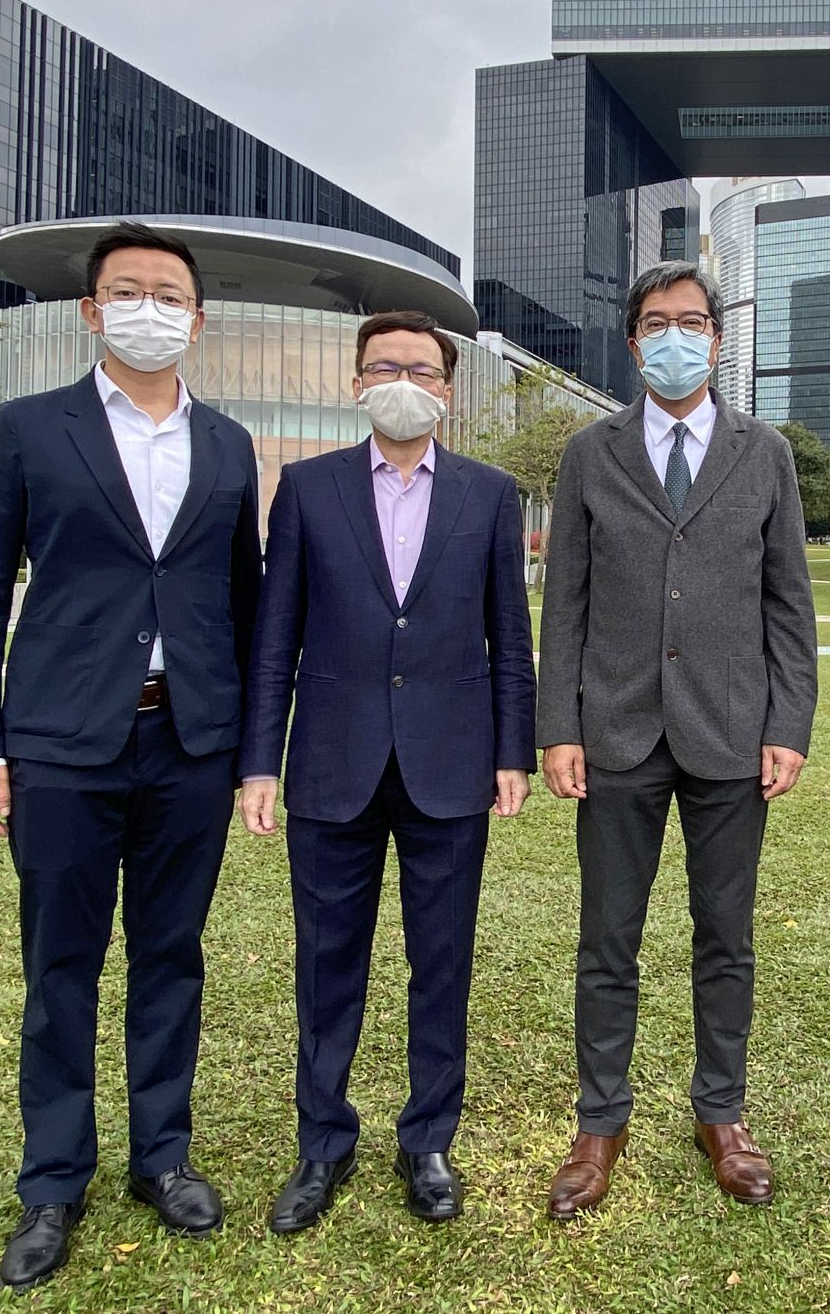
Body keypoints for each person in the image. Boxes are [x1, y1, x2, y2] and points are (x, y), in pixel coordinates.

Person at [0, 221, 262, 1289]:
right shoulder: (30, 429)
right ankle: (52, 1181)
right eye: (128, 291)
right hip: (59, 744)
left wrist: (251, 747)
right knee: (61, 967)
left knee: (171, 955)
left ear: (197, 319)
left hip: (189, 741)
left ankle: (161, 1156)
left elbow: (246, 600)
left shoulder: (228, 444)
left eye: (169, 295)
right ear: (91, 310)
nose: (149, 309)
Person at [237, 310, 536, 1231]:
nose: (403, 382)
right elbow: (276, 634)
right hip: (333, 762)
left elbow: (509, 636)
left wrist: (512, 751)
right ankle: (322, 1143)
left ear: (448, 388)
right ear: (356, 383)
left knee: (440, 963)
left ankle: (427, 1139)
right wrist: (259, 762)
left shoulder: (491, 494)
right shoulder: (307, 488)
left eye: (422, 369)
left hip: (452, 763)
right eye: (384, 367)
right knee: (327, 963)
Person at [537, 261, 818, 1219]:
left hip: (731, 732)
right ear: (632, 342)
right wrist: (559, 725)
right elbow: (564, 601)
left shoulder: (764, 452)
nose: (675, 337)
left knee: (725, 938)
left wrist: (788, 725)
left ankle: (722, 1114)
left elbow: (788, 603)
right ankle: (598, 1124)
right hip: (615, 731)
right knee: (606, 939)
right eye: (657, 322)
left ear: (717, 338)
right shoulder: (590, 452)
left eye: (692, 321)